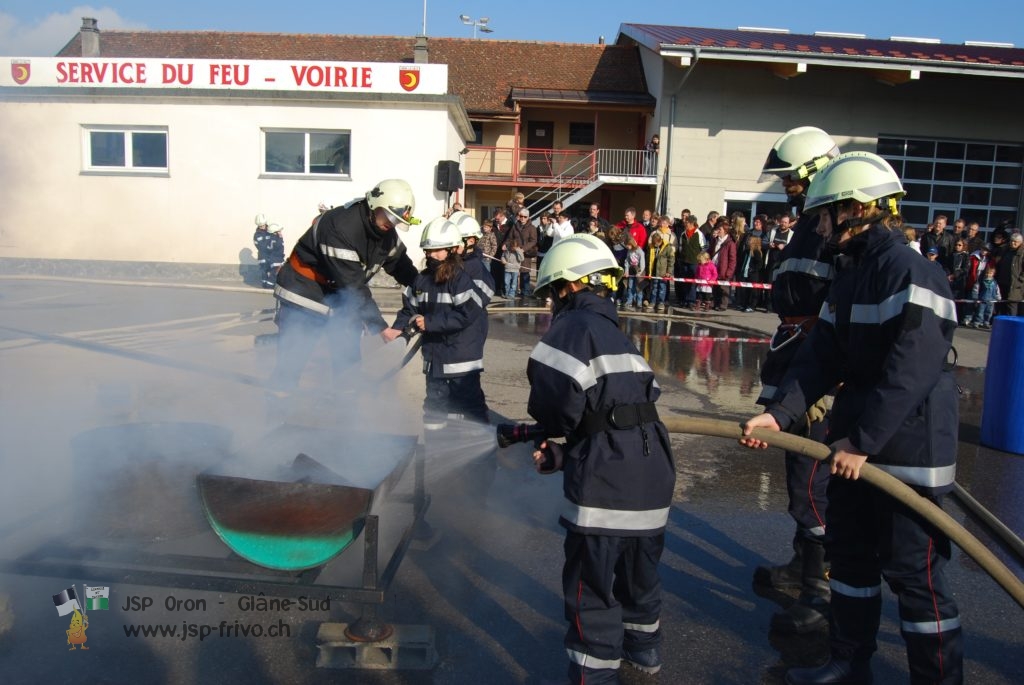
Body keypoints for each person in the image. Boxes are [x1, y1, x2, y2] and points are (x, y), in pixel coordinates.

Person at [741, 151, 963, 685]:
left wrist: (861, 440)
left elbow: (910, 372)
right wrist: (781, 414)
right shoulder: (853, 275)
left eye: (825, 214)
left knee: (915, 578)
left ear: (859, 210)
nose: (818, 226)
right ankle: (847, 661)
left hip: (907, 454)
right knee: (853, 564)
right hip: (855, 451)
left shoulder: (913, 273)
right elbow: (822, 356)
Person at [525, 234, 675, 685]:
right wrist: (569, 450)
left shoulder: (572, 329)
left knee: (591, 589)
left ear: (568, 287)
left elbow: (553, 401)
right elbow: (611, 416)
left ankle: (596, 675)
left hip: (606, 482)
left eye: (553, 292)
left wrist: (554, 440)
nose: (552, 303)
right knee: (639, 577)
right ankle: (644, 654)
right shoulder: (617, 335)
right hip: (651, 476)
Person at [754, 125, 841, 635]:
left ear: (813, 173)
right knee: (797, 472)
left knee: (814, 482)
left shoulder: (832, 231)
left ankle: (822, 586)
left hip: (818, 374)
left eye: (791, 178)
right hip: (794, 359)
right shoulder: (811, 225)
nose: (785, 188)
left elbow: (834, 317)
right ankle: (800, 564)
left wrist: (822, 386)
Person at [269, 179, 419, 393]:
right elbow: (352, 286)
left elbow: (400, 265)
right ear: (374, 206)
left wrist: (423, 287)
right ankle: (276, 414)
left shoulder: (384, 232)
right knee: (292, 361)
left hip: (339, 299)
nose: (392, 224)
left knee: (348, 365)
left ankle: (348, 417)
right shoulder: (340, 227)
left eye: (396, 220)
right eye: (389, 217)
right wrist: (381, 328)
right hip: (304, 294)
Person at [389, 217, 487, 427]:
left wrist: (430, 323)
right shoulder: (421, 280)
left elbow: (467, 315)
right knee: (434, 410)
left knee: (471, 412)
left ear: (451, 250)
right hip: (434, 360)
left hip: (461, 361)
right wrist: (398, 329)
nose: (431, 256)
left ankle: (481, 458)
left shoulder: (460, 280)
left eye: (437, 251)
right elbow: (410, 308)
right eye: (428, 251)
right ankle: (436, 453)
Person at [994, 231, 1024, 316]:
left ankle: (1012, 326)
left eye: (1015, 241)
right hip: (1003, 282)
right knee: (1002, 306)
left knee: (1012, 307)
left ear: (1020, 243)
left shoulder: (1022, 253)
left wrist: (1020, 280)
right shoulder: (1005, 251)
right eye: (1011, 241)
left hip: (1015, 285)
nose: (1013, 243)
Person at [709, 219, 736, 311]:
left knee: (724, 288)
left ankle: (723, 305)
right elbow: (711, 251)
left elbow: (732, 260)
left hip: (724, 269)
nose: (718, 231)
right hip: (714, 266)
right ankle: (715, 303)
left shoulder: (730, 243)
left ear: (725, 230)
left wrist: (729, 272)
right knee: (715, 287)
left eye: (720, 229)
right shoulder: (716, 240)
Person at [647, 230, 674, 313]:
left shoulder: (668, 247)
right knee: (654, 288)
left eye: (656, 244)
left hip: (663, 272)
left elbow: (671, 260)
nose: (655, 245)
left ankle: (661, 302)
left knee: (662, 288)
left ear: (660, 241)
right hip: (654, 271)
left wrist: (669, 271)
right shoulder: (652, 246)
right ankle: (652, 302)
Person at [736, 234, 765, 312]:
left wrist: (752, 269)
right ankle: (744, 305)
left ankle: (752, 306)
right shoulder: (746, 251)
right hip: (744, 273)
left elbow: (759, 264)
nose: (748, 241)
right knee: (744, 290)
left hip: (752, 275)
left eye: (750, 240)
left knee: (752, 291)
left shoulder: (756, 252)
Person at [262, 224, 286, 288]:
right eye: (279, 231)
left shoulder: (271, 238)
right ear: (275, 233)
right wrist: (280, 238)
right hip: (277, 259)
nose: (280, 232)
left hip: (273, 258)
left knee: (274, 272)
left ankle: (270, 284)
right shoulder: (276, 240)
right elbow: (279, 247)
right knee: (274, 273)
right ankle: (269, 286)